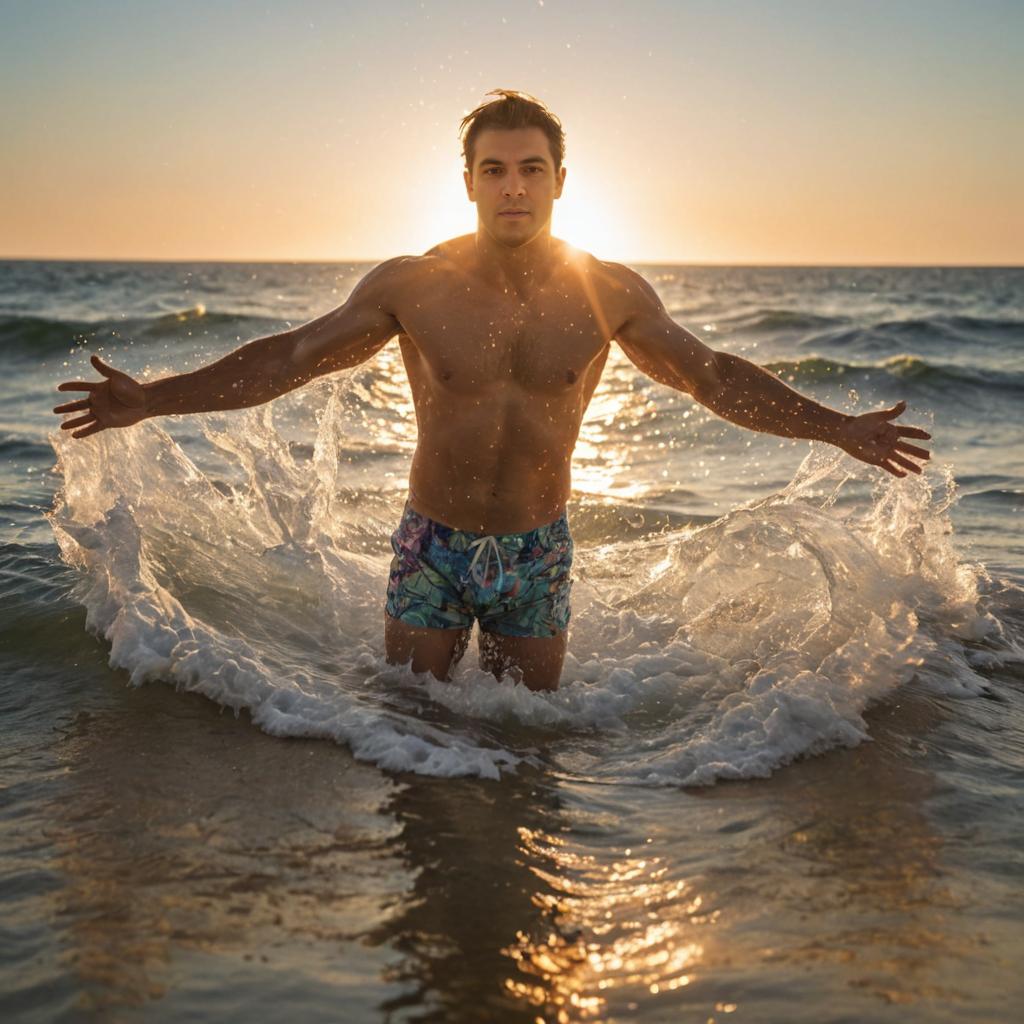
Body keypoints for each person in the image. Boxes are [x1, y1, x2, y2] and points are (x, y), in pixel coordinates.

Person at [53, 89, 931, 692]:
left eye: (533, 168)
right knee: (410, 741)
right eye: (496, 169)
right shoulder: (414, 284)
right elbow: (291, 357)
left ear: (560, 178)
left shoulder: (608, 292)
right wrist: (156, 398)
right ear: (468, 180)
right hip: (430, 545)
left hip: (535, 554)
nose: (515, 186)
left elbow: (712, 377)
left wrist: (837, 426)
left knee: (527, 752)